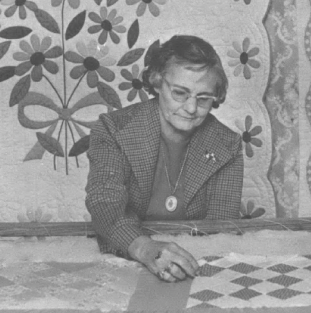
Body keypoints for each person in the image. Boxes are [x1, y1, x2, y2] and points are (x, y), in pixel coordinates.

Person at [86, 35, 244, 282]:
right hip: (125, 258)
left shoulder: (227, 145)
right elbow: (104, 205)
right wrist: (145, 249)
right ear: (158, 82)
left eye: (203, 98)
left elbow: (219, 234)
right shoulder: (113, 130)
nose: (191, 108)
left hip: (192, 266)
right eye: (180, 93)